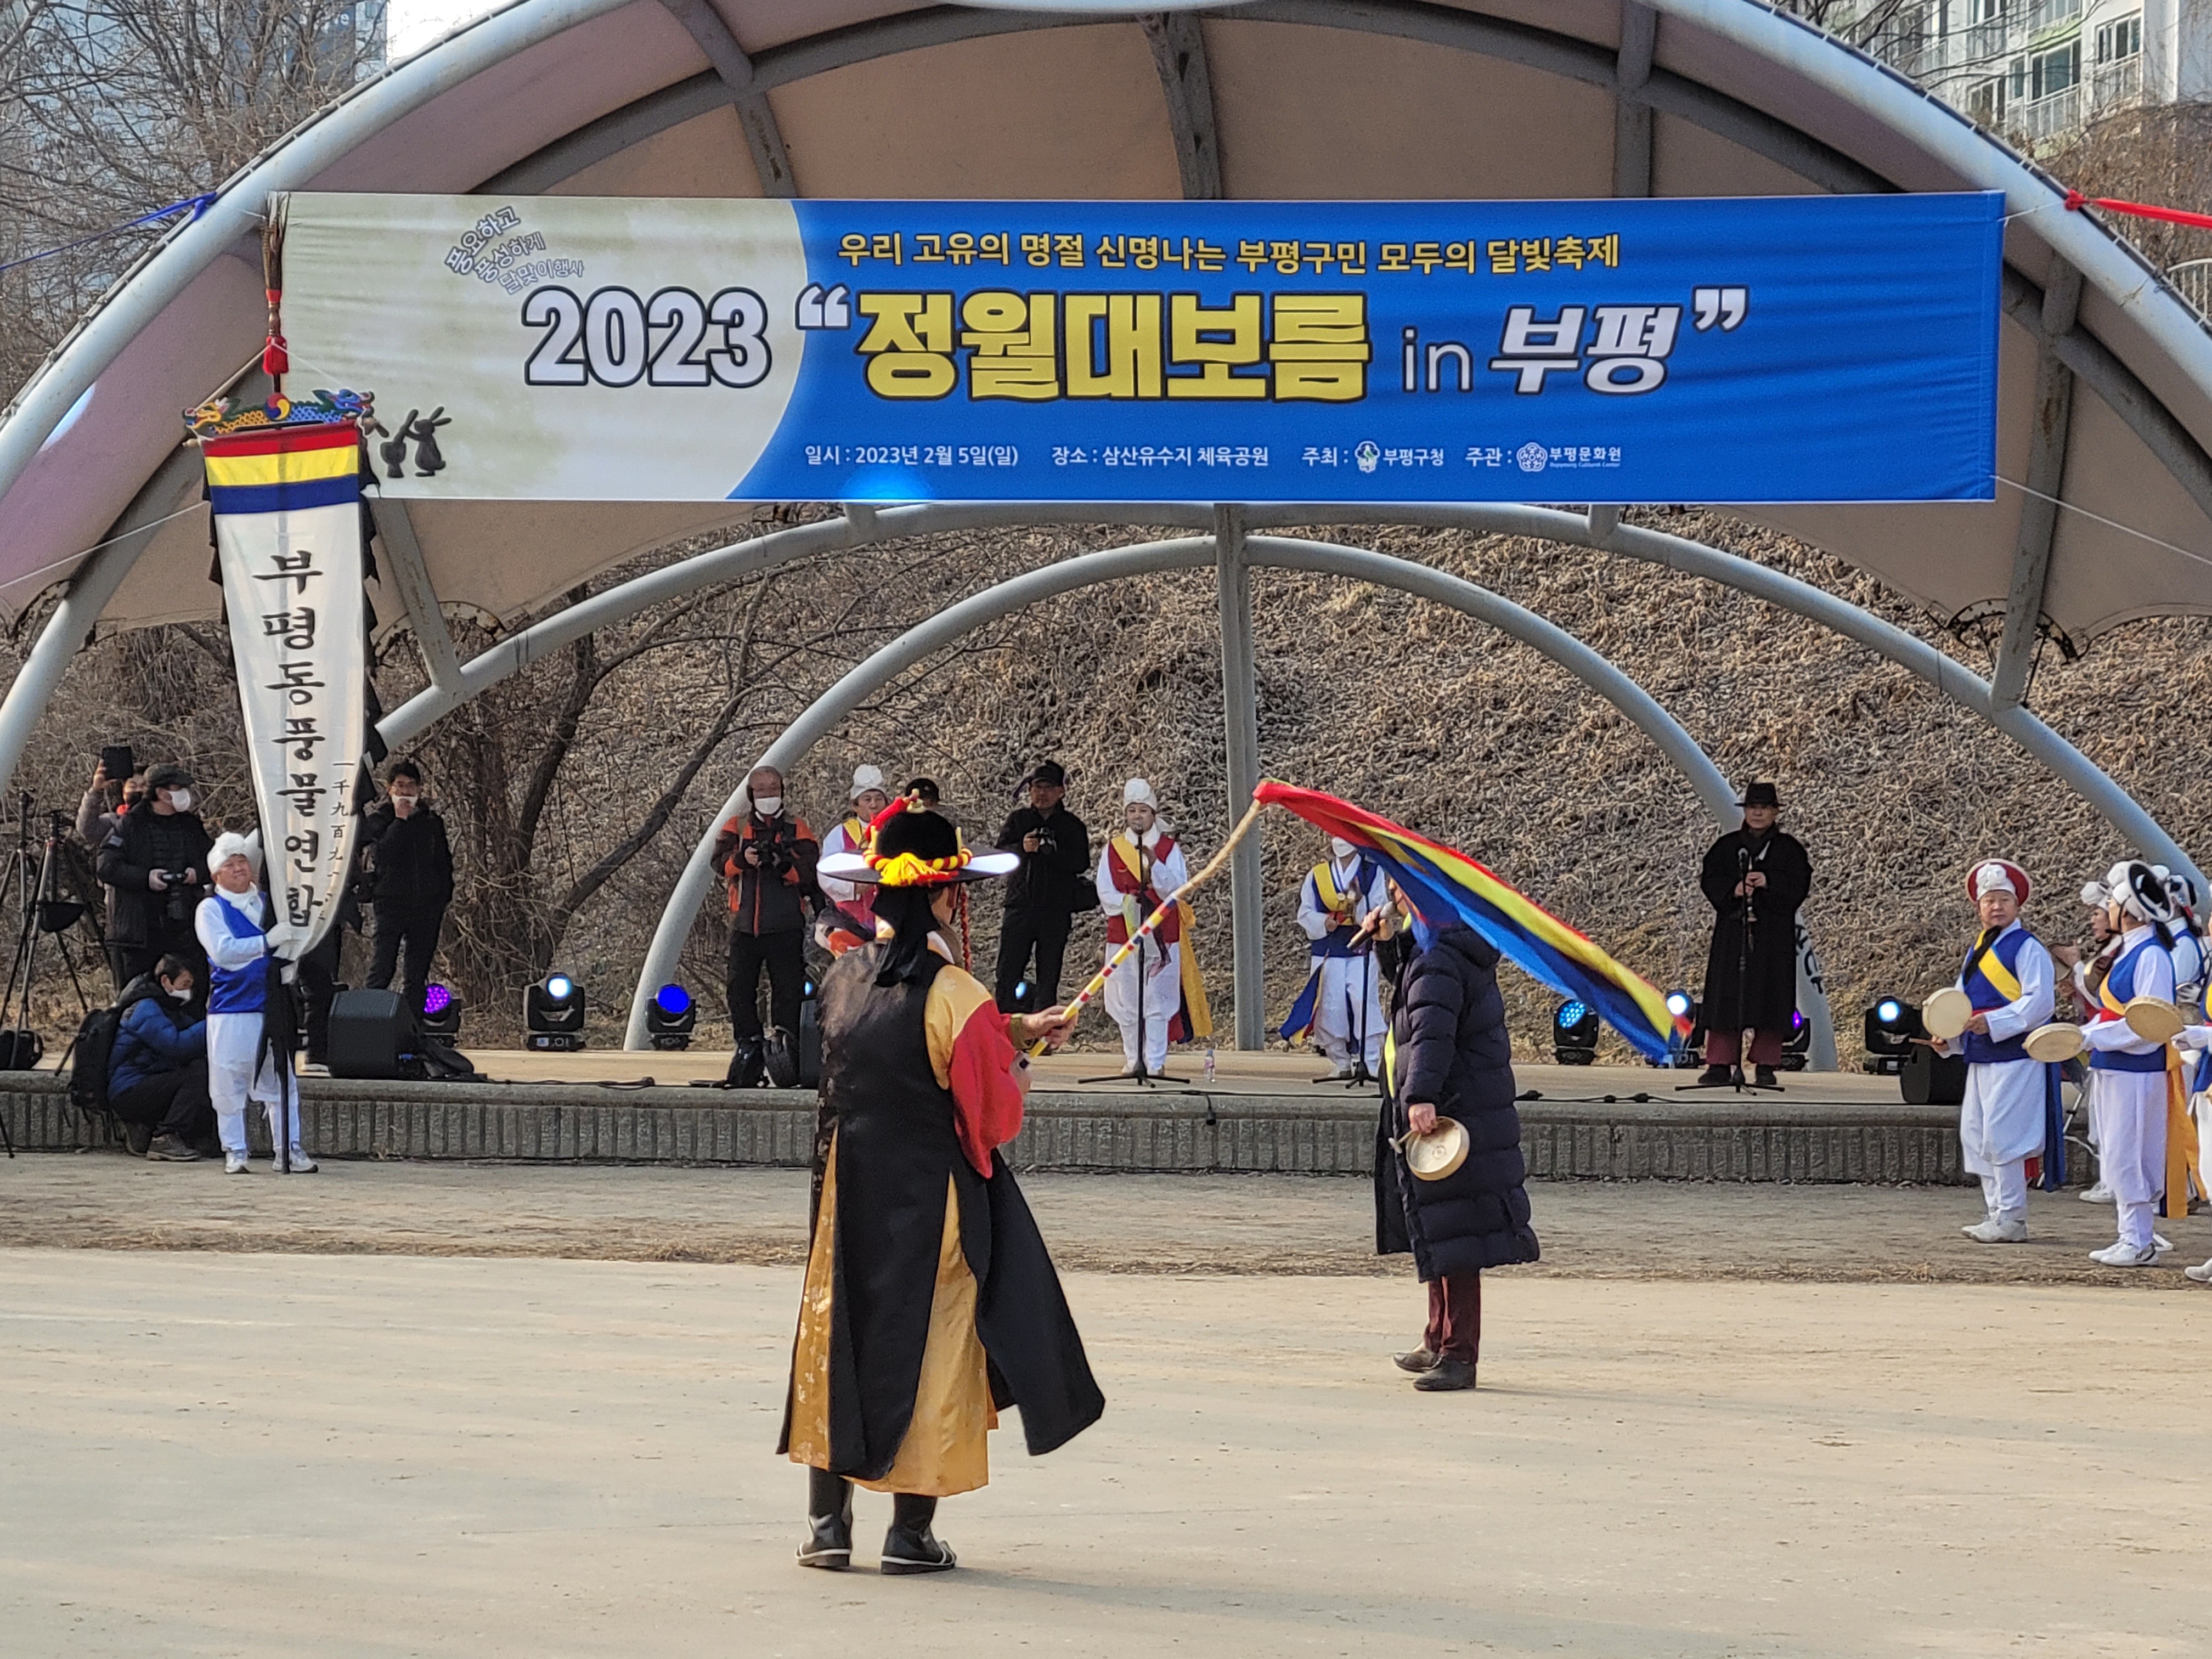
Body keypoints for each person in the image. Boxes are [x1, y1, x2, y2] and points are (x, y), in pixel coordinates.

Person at [789, 804, 1101, 1573]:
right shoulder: (955, 991)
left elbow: (889, 1045)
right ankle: (909, 1534)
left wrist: (1016, 1029)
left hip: (845, 1193)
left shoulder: (841, 979)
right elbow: (991, 1116)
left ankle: (828, 1527)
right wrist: (1015, 1060)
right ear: (941, 895)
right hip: (930, 1200)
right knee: (930, 1347)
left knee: (839, 1339)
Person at [1369, 879, 1539, 1392]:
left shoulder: (1440, 954)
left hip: (1454, 1107)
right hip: (1458, 1102)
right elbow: (1414, 997)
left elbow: (1433, 1031)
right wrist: (1387, 945)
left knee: (1457, 1234)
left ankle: (1459, 1352)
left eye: (1401, 888)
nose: (1394, 896)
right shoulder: (1438, 945)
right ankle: (1437, 1336)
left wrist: (1421, 1095)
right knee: (1437, 1228)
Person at [1928, 860, 2056, 1244]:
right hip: (1982, 1054)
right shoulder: (1978, 950)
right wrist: (1947, 1035)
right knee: (1977, 1134)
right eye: (1989, 901)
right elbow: (1959, 1002)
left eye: (2003, 900)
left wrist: (1995, 1022)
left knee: (2005, 1135)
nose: (1996, 907)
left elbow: (2040, 1002)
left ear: (2017, 905)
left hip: (2016, 1055)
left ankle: (2012, 1216)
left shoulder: (2028, 947)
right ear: (1978, 908)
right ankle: (1995, 1210)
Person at [2076, 861, 2177, 1267]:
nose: (2107, 911)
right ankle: (2133, 1236)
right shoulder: (2131, 950)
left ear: (2128, 912)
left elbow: (2150, 1023)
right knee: (2118, 1151)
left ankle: (2138, 1240)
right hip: (2115, 1065)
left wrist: (2091, 1037)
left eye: (2112, 905)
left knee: (2130, 1153)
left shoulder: (2151, 955)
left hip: (2137, 1068)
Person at [197, 831, 314, 1176]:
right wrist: (266, 942)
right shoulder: (210, 909)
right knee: (228, 1080)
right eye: (230, 865)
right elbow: (224, 952)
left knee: (281, 1079)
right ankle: (235, 1148)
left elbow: (289, 945)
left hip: (272, 1004)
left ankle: (288, 1148)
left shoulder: (268, 903)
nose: (239, 869)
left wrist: (290, 962)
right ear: (216, 874)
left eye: (242, 862)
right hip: (232, 1008)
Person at [1695, 781, 1812, 1088]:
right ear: (1745, 811)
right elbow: (1710, 879)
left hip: (1773, 935)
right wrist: (1734, 889)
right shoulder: (1727, 846)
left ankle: (1766, 1064)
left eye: (1764, 808)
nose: (1758, 813)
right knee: (1725, 997)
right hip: (1733, 933)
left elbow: (1799, 884)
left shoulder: (1789, 850)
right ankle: (1720, 1063)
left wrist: (1769, 882)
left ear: (1775, 812)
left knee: (1773, 997)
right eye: (1752, 808)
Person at [713, 766, 821, 1083]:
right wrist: (743, 860)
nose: (768, 795)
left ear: (782, 790)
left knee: (788, 990)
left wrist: (783, 864)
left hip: (786, 925)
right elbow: (719, 863)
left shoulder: (797, 827)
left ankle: (787, 1048)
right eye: (761, 790)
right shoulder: (736, 826)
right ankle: (748, 1046)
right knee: (739, 989)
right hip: (745, 925)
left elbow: (810, 870)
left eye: (773, 788)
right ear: (751, 794)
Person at [1094, 778, 1191, 1078]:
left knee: (1158, 999)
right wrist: (1127, 904)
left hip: (1163, 933)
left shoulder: (1168, 849)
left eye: (1143, 810)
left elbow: (1177, 889)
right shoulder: (1114, 849)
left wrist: (1155, 865)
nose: (1137, 816)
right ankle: (1132, 1058)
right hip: (1124, 933)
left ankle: (1156, 1061)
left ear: (1153, 814)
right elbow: (1105, 891)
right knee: (1126, 997)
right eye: (1132, 810)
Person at [991, 761, 1094, 1014]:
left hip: (1056, 908)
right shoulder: (1019, 821)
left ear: (1061, 791)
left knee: (1049, 974)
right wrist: (1022, 849)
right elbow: (998, 857)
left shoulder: (1072, 826)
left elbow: (1081, 862)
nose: (1042, 794)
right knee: (1008, 971)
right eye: (1037, 788)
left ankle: (1044, 1027)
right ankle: (1004, 1023)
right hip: (1020, 904)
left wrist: (1052, 853)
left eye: (1048, 788)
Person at [98, 764, 212, 989]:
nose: (185, 794)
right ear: (161, 793)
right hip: (140, 931)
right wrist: (146, 878)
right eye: (178, 788)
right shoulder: (130, 824)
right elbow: (106, 866)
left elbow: (214, 860)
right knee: (140, 995)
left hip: (185, 927)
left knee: (193, 991)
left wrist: (197, 873)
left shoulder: (190, 825)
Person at [1288, 834, 1389, 1079]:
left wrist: (1360, 909)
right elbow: (1305, 911)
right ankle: (1340, 1061)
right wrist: (1324, 922)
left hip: (1360, 948)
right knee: (1331, 1004)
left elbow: (1380, 907)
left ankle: (1370, 1060)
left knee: (1363, 999)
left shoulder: (1371, 872)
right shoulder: (1318, 875)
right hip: (1328, 948)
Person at [360, 760, 455, 1017]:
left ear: (419, 789)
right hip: (391, 903)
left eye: (411, 786)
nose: (406, 792)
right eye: (400, 786)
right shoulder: (380, 819)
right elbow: (383, 855)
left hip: (426, 906)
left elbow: (443, 861)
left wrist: (443, 895)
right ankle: (370, 1022)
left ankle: (413, 1027)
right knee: (383, 967)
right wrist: (400, 821)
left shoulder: (431, 821)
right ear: (389, 789)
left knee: (416, 973)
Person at [106, 953, 213, 1162]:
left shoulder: (166, 1007)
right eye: (185, 984)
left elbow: (189, 1032)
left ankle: (167, 1134)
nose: (188, 991)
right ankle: (165, 1137)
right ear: (166, 981)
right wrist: (214, 1023)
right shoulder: (145, 1009)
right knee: (197, 1074)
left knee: (200, 1069)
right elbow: (177, 1046)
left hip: (146, 1081)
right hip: (128, 1089)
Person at [818, 765, 891, 936]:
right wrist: (853, 887)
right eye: (867, 799)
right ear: (855, 806)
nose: (874, 805)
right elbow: (825, 874)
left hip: (892, 915)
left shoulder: (897, 831)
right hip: (851, 918)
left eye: (878, 799)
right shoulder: (841, 834)